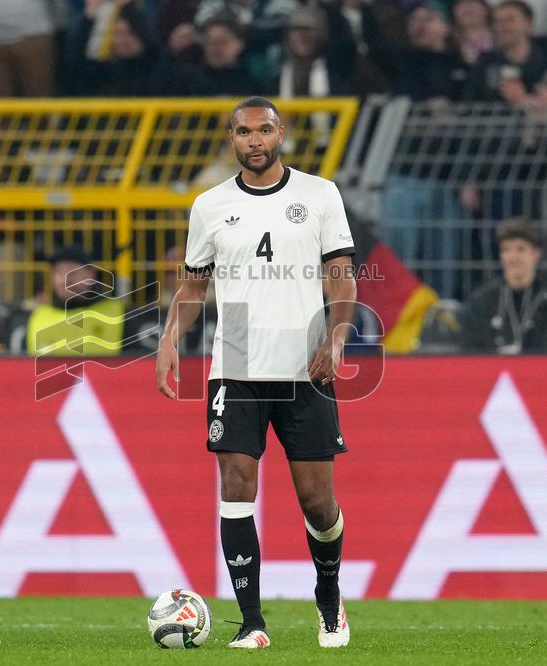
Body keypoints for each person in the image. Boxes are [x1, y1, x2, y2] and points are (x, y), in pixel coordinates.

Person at [155, 96, 356, 649]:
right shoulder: (210, 205)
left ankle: (330, 598)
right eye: (244, 132)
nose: (255, 140)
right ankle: (252, 623)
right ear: (232, 140)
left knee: (317, 502)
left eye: (264, 130)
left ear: (280, 132)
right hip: (237, 360)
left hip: (305, 364)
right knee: (236, 482)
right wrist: (169, 340)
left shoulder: (319, 194)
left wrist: (337, 336)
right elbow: (194, 285)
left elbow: (341, 275)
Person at [460, 217, 547, 353]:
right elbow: (470, 351)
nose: (513, 257)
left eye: (520, 249)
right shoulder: (483, 300)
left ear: (536, 253)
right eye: (506, 250)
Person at [27, 244, 125, 356]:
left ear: (91, 274)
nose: (65, 280)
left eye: (72, 272)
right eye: (59, 272)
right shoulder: (37, 315)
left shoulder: (120, 314)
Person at [464, 0, 547, 106]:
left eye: (509, 20)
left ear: (528, 24)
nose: (500, 27)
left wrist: (524, 99)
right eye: (496, 21)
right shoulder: (485, 63)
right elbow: (468, 105)